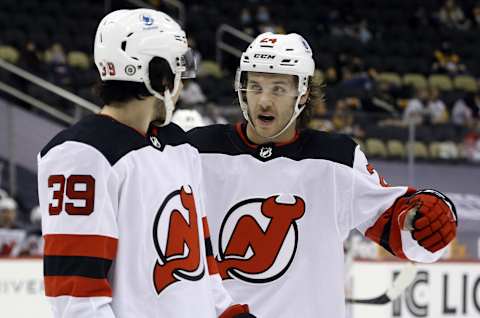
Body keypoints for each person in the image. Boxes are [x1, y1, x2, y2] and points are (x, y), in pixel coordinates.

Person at [187, 33, 458, 317]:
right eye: (255, 87)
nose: (263, 101)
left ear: (302, 93)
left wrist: (428, 219)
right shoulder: (197, 150)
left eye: (278, 89)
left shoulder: (336, 159)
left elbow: (397, 225)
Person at [37, 9, 254, 318]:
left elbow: (203, 271)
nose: (182, 84)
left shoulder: (179, 146)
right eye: (178, 70)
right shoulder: (80, 155)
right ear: (159, 76)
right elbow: (77, 298)